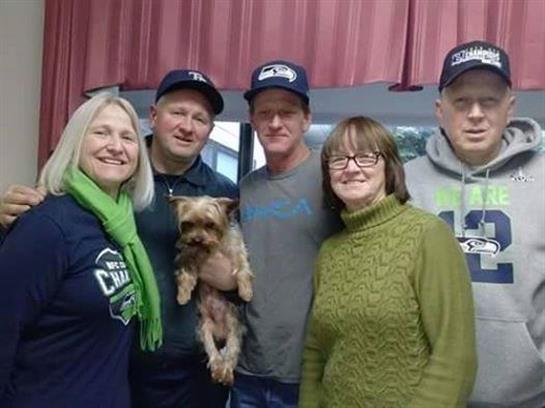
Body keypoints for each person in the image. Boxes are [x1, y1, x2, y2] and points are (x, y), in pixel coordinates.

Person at [0, 69, 238, 408]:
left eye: (200, 118)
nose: (187, 126)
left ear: (210, 129)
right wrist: (7, 222)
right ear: (153, 116)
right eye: (177, 112)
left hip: (191, 375)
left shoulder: (222, 194)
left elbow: (245, 276)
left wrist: (232, 283)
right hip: (124, 371)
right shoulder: (98, 195)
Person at [298, 116, 477, 407]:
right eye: (338, 159)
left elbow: (455, 356)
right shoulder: (329, 251)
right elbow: (315, 352)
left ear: (389, 166)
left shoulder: (428, 235)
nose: (351, 167)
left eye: (366, 156)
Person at [404, 40, 545, 407]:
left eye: (489, 101)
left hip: (527, 395)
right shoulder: (405, 182)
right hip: (428, 393)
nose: (476, 114)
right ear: (440, 111)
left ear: (510, 108)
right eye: (462, 102)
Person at [0, 93, 161, 407]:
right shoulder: (47, 224)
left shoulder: (123, 227)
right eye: (101, 132)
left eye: (128, 137)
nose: (116, 146)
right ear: (75, 143)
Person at [231, 60, 341, 407]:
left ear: (306, 119)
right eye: (265, 113)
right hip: (247, 369)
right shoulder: (245, 188)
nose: (275, 122)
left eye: (287, 113)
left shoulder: (334, 177)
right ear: (252, 120)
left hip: (310, 372)